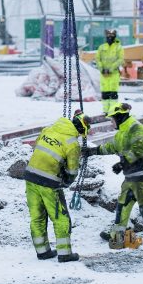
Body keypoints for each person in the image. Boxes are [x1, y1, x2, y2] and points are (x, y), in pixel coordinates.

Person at [84, 102, 143, 248]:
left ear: (119, 117)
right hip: (131, 176)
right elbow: (111, 147)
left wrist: (123, 164)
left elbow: (139, 149)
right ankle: (116, 235)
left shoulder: (137, 129)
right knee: (123, 205)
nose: (111, 122)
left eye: (112, 119)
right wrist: (93, 151)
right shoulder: (122, 132)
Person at [24, 110, 90, 262]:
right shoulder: (72, 144)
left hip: (30, 176)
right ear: (81, 130)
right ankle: (65, 253)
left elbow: (38, 146)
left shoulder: (50, 128)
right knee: (60, 217)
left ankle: (42, 251)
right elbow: (72, 170)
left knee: (37, 217)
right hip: (48, 182)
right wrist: (66, 181)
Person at [95, 29, 124, 114]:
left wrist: (111, 69)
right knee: (105, 93)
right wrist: (102, 69)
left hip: (114, 74)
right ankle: (105, 111)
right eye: (108, 35)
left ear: (115, 36)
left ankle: (113, 111)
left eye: (112, 35)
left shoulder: (118, 47)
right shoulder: (102, 47)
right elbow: (97, 59)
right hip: (104, 75)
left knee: (113, 93)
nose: (110, 37)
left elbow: (120, 59)